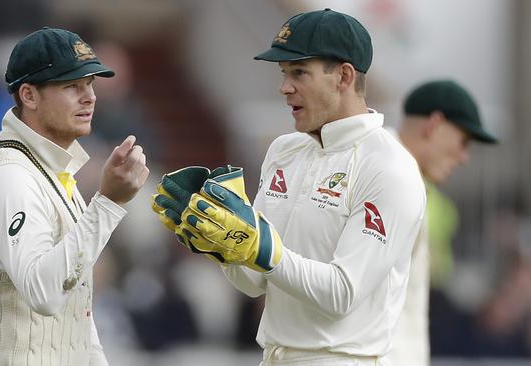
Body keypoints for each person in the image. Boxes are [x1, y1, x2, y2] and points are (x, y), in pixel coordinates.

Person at [152, 9, 426, 365]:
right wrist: (222, 245)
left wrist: (263, 248)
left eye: (299, 73)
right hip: (274, 356)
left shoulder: (388, 166)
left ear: (343, 76)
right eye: (284, 74)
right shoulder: (285, 150)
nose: (284, 87)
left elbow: (342, 292)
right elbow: (254, 281)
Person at [0, 27, 149, 366]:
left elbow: (77, 317)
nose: (89, 96)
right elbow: (43, 294)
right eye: (71, 86)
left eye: (89, 83)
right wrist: (107, 203)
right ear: (29, 96)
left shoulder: (53, 171)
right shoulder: (10, 177)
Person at [388, 80, 497, 366]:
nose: (464, 157)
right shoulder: (381, 176)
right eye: (463, 142)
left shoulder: (403, 178)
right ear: (434, 125)